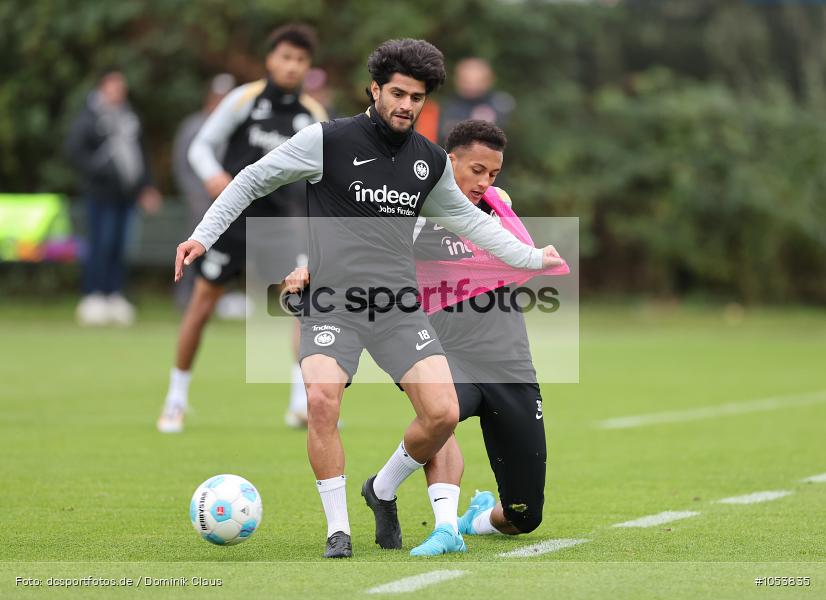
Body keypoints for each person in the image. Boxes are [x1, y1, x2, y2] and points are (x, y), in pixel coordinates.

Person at [174, 38, 563, 559]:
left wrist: (531, 258)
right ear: (375, 89)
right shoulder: (327, 140)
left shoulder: (429, 161)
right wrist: (204, 234)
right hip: (333, 302)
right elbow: (252, 179)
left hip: (399, 307)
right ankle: (339, 531)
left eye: (417, 97)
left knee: (444, 414)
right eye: (398, 93)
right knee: (321, 399)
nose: (406, 105)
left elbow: (471, 222)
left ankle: (380, 489)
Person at [157, 24, 328, 434]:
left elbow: (327, 172)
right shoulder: (243, 100)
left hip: (281, 225)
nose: (291, 66)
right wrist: (213, 175)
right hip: (232, 223)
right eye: (285, 57)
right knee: (201, 307)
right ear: (271, 59)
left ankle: (298, 404)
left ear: (307, 67)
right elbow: (200, 145)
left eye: (300, 60)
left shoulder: (312, 115)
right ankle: (175, 400)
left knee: (298, 308)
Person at [408, 120, 553, 556]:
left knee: (524, 517)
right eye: (477, 170)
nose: (485, 182)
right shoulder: (411, 207)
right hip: (444, 349)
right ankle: (443, 525)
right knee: (441, 417)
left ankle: (475, 519)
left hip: (507, 361)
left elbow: (517, 259)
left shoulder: (496, 205)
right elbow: (369, 252)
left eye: (493, 173)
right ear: (449, 161)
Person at [65, 68, 162, 326]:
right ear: (102, 87)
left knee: (120, 246)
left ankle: (114, 294)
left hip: (126, 195)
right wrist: (100, 172)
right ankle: (93, 295)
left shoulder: (130, 117)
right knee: (101, 244)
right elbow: (76, 152)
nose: (119, 91)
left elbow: (141, 156)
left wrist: (146, 186)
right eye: (114, 86)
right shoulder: (89, 117)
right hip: (100, 194)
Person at [171, 73, 236, 309]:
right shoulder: (193, 125)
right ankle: (184, 297)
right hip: (199, 200)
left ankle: (217, 299)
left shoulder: (234, 127)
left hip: (227, 201)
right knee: (192, 248)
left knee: (223, 251)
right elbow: (181, 163)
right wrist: (195, 194)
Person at [437, 57, 515, 145]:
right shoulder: (446, 106)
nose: (471, 86)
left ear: (490, 80)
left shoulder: (501, 103)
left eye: (478, 80)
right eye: (466, 81)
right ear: (457, 80)